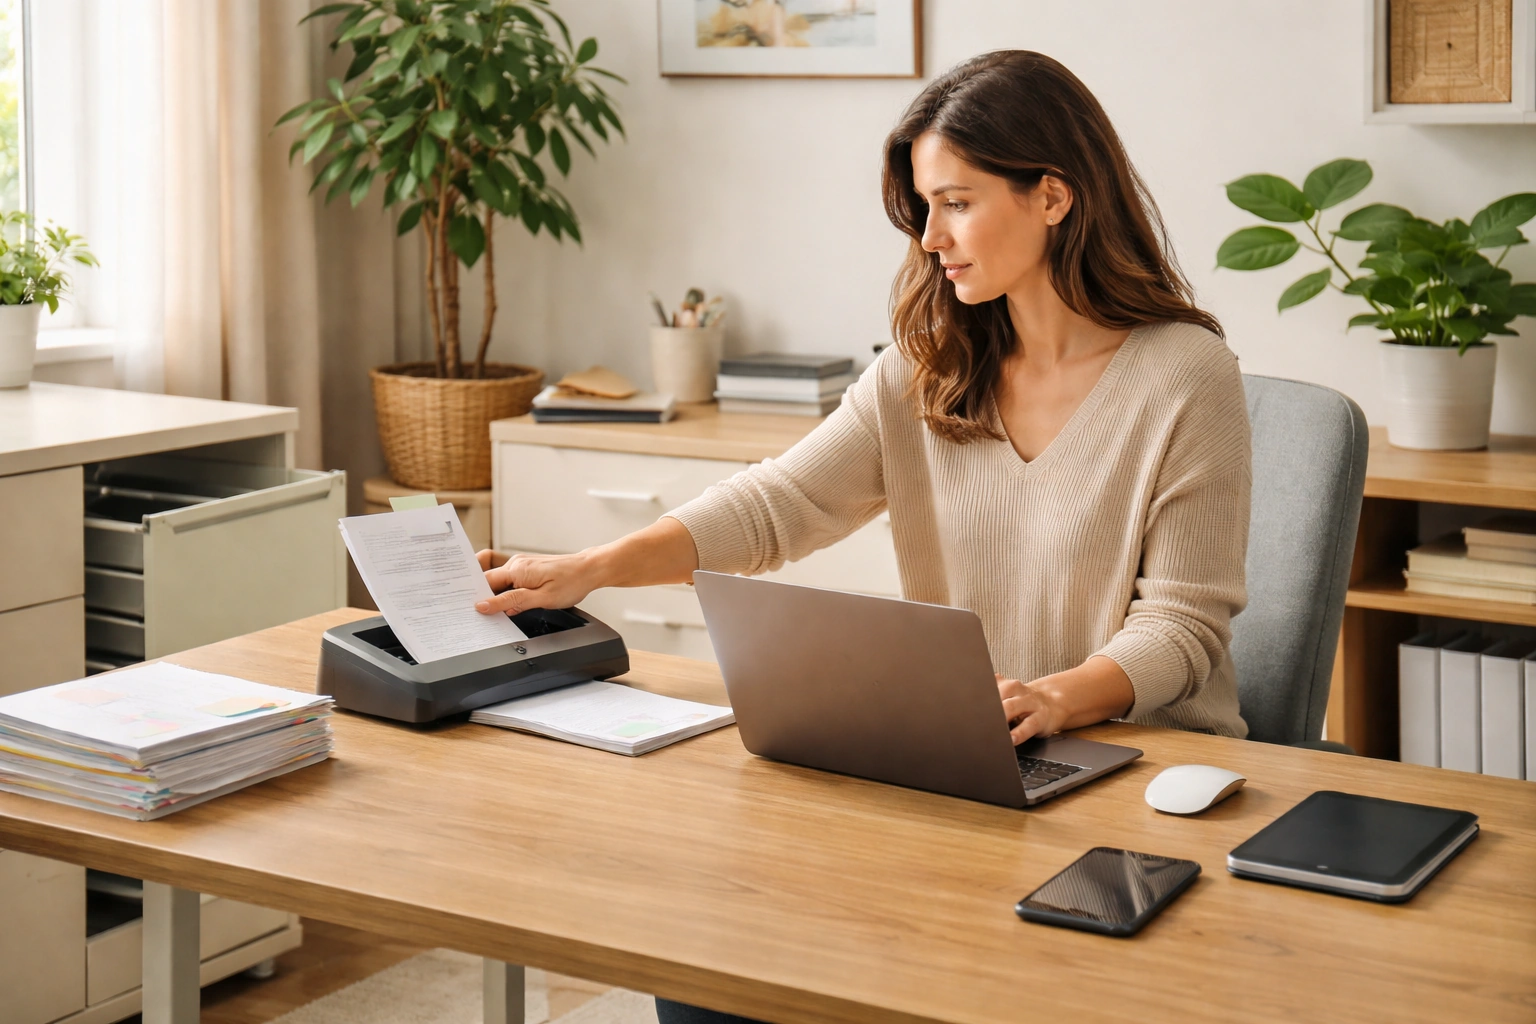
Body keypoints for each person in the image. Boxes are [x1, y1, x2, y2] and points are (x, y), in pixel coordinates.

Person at [475, 50, 1251, 1023]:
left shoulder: (1186, 375)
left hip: (1126, 773)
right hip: (958, 769)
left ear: (1052, 195)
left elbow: (1182, 627)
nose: (931, 239)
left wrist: (1052, 696)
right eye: (922, 210)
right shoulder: (925, 368)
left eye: (956, 204)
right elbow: (775, 507)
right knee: (711, 978)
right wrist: (588, 568)